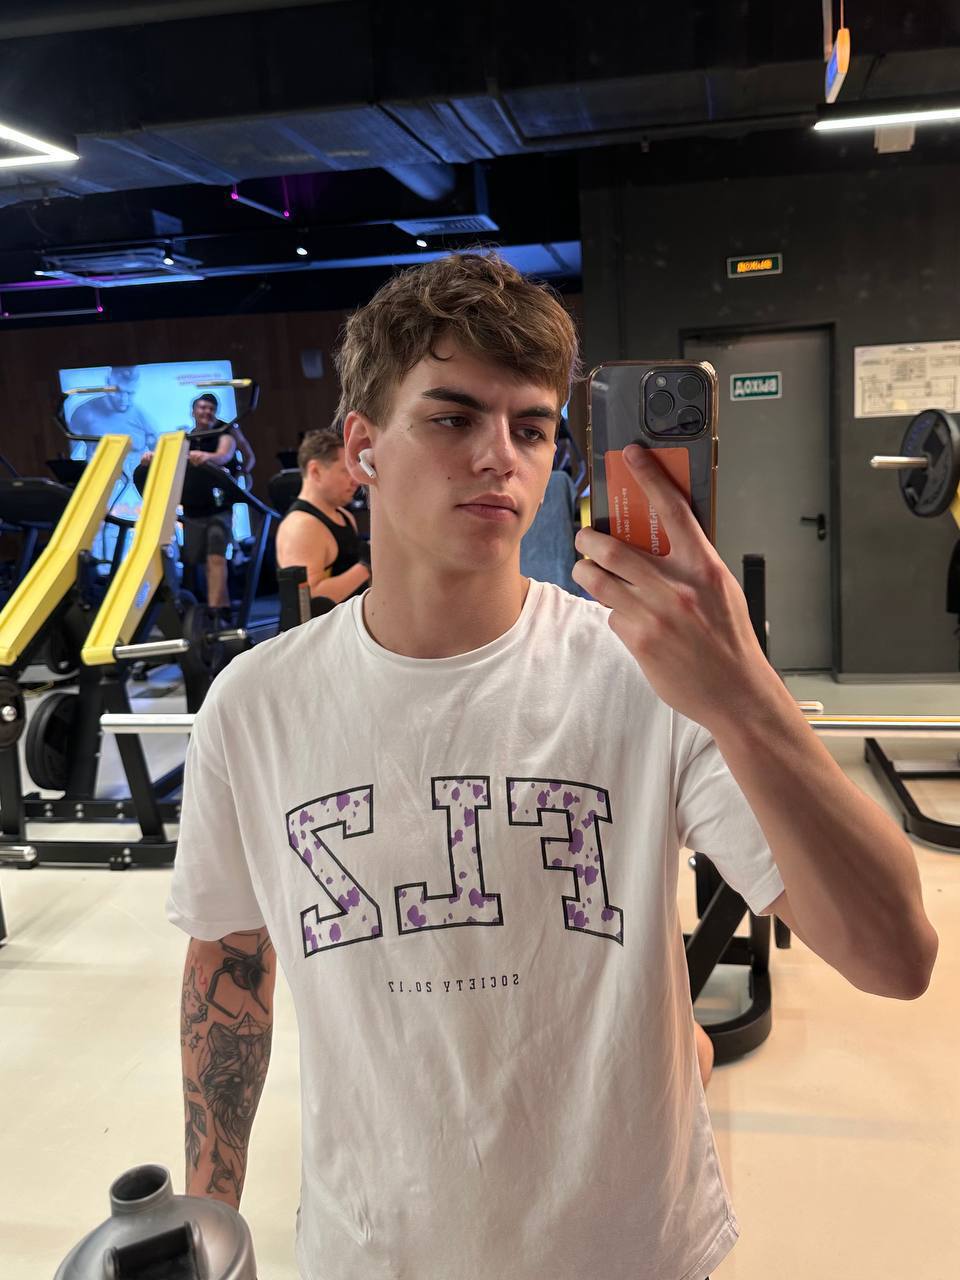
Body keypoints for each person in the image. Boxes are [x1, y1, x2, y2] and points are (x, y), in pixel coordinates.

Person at [167, 253, 937, 1280]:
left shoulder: (648, 676)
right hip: (374, 1249)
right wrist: (202, 1221)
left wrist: (743, 690)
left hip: (627, 1250)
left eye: (532, 428)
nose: (501, 456)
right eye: (453, 418)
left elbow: (895, 956)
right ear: (362, 448)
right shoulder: (256, 705)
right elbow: (229, 960)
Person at [143, 393, 255, 611]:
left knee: (216, 557)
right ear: (193, 411)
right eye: (202, 408)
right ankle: (202, 609)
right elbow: (169, 456)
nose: (207, 412)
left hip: (219, 507)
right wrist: (151, 458)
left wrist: (240, 473)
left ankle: (219, 610)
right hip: (193, 508)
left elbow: (225, 455)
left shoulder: (225, 432)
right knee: (193, 561)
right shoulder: (188, 437)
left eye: (211, 408)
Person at [274, 427, 371, 613]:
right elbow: (309, 600)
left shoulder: (343, 514)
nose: (356, 481)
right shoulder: (302, 526)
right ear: (315, 471)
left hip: (344, 624)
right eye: (346, 471)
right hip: (318, 631)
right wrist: (367, 566)